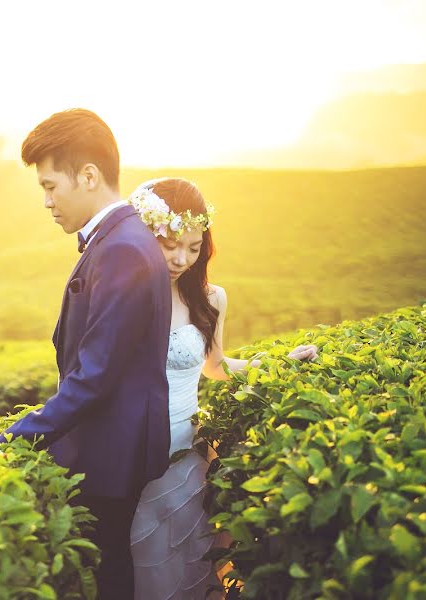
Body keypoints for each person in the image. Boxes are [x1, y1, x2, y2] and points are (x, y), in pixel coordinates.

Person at [0, 109, 172, 599]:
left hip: (110, 452)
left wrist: (12, 440)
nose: (46, 201)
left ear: (90, 176)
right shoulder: (124, 237)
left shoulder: (121, 247)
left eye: (51, 186)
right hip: (115, 445)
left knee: (108, 573)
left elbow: (95, 374)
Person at [126, 177, 318, 599]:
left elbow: (216, 366)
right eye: (170, 244)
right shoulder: (127, 297)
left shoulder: (211, 299)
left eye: (193, 249)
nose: (181, 258)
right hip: (136, 458)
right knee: (149, 567)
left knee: (196, 562)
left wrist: (280, 363)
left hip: (190, 457)